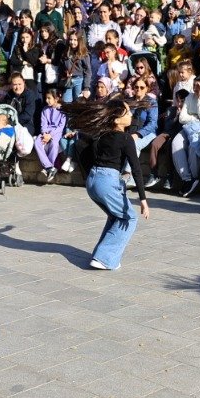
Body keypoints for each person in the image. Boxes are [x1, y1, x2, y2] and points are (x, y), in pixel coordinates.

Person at [66, 96, 151, 270]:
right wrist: (143, 200)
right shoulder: (127, 139)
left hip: (92, 181)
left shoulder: (101, 135)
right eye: (127, 112)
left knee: (115, 216)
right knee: (130, 217)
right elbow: (136, 168)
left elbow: (83, 149)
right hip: (107, 181)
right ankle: (104, 258)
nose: (131, 115)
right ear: (118, 119)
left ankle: (102, 254)